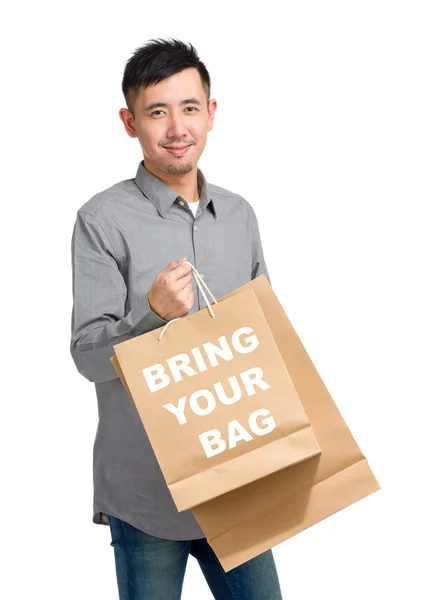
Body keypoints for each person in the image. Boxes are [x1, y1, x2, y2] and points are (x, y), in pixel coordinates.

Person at [70, 37, 282, 600]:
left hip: (237, 481)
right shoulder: (101, 220)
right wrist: (150, 318)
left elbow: (265, 340)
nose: (176, 128)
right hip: (146, 491)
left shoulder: (238, 216)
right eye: (156, 112)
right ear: (128, 121)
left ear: (211, 114)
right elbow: (88, 357)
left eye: (189, 108)